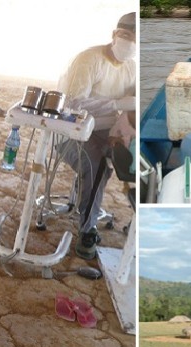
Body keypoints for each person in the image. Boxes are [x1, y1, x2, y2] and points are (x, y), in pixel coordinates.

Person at [56, 12, 136, 259]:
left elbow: (135, 104)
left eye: (135, 39)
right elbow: (73, 104)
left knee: (137, 163)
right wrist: (116, 104)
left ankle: (139, 225)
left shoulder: (132, 68)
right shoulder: (89, 60)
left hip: (108, 132)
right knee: (97, 165)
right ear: (114, 35)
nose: (130, 42)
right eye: (125, 35)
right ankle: (87, 229)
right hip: (70, 131)